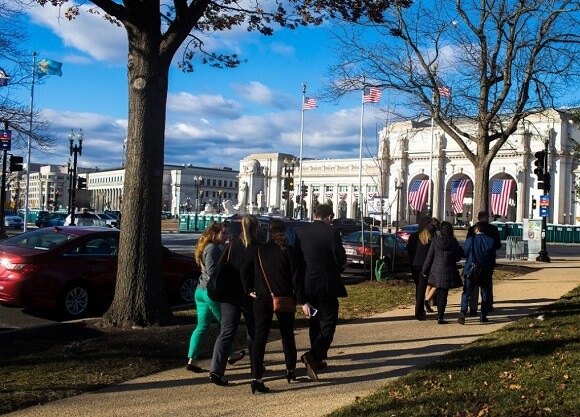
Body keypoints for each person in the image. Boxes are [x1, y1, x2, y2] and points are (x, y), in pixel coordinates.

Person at [241, 219, 303, 394]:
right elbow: (296, 279)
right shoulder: (288, 251)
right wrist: (300, 298)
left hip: (261, 298)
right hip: (284, 298)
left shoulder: (259, 251)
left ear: (268, 232)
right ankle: (290, 369)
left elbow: (244, 271)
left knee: (260, 337)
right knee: (287, 335)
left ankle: (256, 377)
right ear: (284, 231)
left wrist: (248, 290)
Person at [294, 204, 347, 381]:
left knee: (315, 323)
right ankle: (314, 355)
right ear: (329, 217)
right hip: (327, 285)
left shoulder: (300, 232)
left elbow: (298, 262)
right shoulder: (332, 233)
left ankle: (315, 359)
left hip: (308, 285)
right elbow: (340, 257)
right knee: (328, 324)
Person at [208, 216, 259, 386]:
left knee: (227, 331)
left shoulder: (231, 245)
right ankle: (255, 366)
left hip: (228, 294)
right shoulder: (257, 247)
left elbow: (222, 264)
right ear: (255, 228)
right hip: (248, 295)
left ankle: (216, 370)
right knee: (253, 332)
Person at [186, 222, 228, 377]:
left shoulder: (208, 247)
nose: (226, 236)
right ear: (214, 234)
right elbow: (212, 271)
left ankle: (192, 360)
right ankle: (230, 355)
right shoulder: (211, 248)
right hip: (209, 292)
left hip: (201, 291)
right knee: (226, 325)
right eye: (224, 233)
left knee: (202, 326)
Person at [421, 221, 463, 324]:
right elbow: (457, 258)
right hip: (448, 269)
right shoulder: (453, 242)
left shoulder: (435, 241)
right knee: (443, 294)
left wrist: (425, 270)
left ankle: (438, 314)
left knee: (438, 292)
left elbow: (429, 257)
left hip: (436, 270)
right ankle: (440, 316)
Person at [465, 210, 501, 315]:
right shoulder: (493, 229)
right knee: (487, 285)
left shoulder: (472, 229)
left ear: (478, 217)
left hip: (474, 261)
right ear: (487, 217)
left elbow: (468, 244)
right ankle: (487, 305)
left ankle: (473, 306)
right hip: (488, 261)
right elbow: (498, 245)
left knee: (474, 284)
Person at [459, 222, 496, 324]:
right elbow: (492, 258)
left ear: (477, 230)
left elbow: (465, 253)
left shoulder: (471, 239)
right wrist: (491, 269)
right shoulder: (490, 241)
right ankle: (483, 315)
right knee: (484, 293)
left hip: (471, 269)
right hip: (485, 270)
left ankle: (463, 312)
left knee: (467, 292)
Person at [406, 216, 434, 320]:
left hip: (414, 265)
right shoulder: (429, 238)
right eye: (430, 224)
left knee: (419, 288)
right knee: (421, 289)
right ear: (426, 225)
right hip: (423, 266)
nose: (432, 226)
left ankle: (419, 309)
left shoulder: (413, 236)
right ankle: (419, 312)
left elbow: (409, 251)